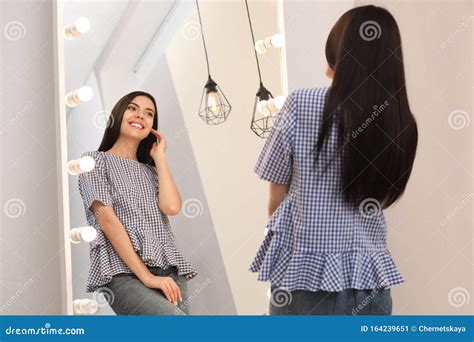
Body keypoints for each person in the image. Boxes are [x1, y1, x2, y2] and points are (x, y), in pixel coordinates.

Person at [250, 5, 418, 315]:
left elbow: (276, 199)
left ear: (342, 49)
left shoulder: (301, 104)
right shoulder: (401, 121)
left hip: (307, 281)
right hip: (372, 284)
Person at [78, 91, 197, 315]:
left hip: (169, 272)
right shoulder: (93, 162)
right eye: (133, 108)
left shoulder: (152, 171)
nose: (141, 116)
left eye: (149, 113)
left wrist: (159, 158)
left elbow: (172, 207)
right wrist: (148, 277)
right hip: (122, 273)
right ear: (118, 114)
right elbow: (108, 222)